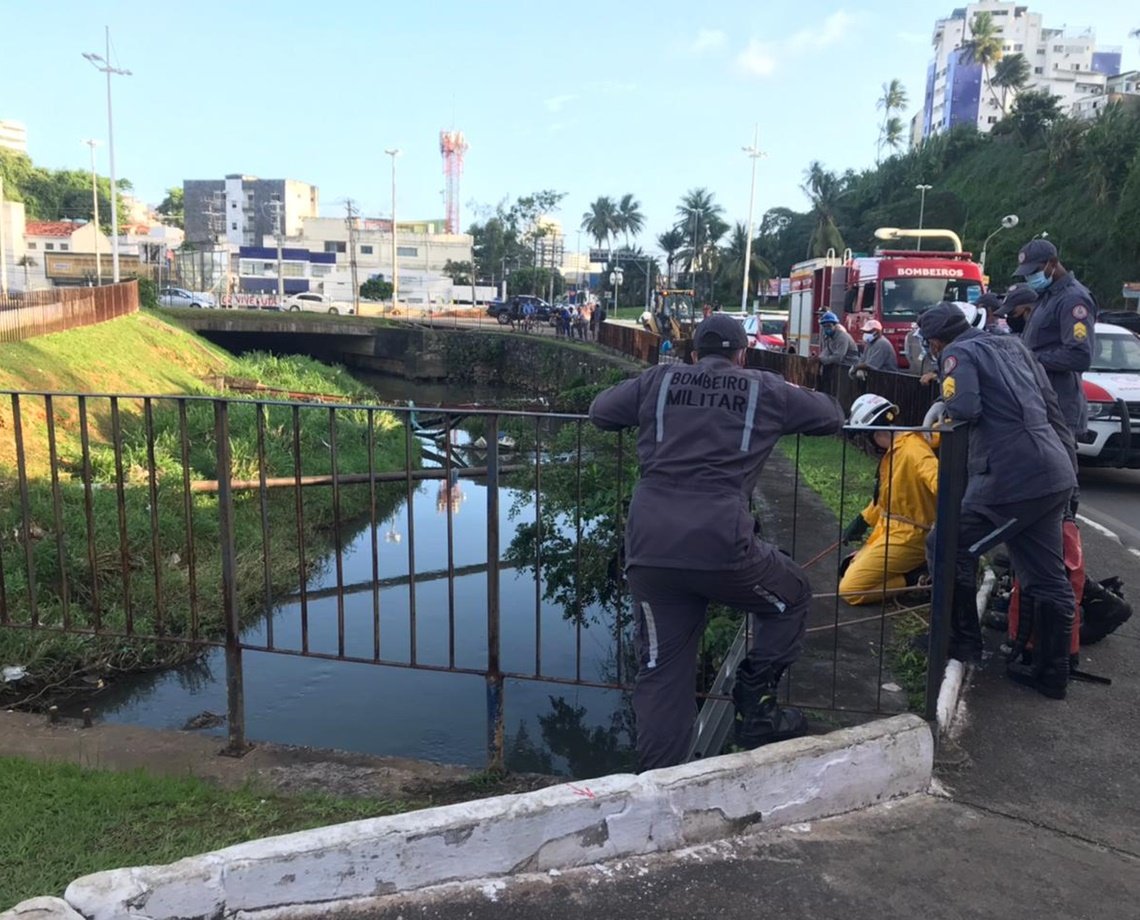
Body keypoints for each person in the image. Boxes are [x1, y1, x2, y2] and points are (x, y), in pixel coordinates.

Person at [589, 314, 846, 770]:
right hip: (721, 544)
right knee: (792, 594)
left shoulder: (659, 380)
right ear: (742, 354)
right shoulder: (762, 388)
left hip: (649, 548)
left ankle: (658, 785)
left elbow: (601, 413)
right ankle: (757, 705)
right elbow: (830, 415)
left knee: (661, 670)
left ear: (692, 353)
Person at [918, 302, 1077, 697]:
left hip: (1011, 481)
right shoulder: (1013, 345)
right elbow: (1052, 404)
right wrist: (1070, 471)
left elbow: (967, 407)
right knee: (1046, 575)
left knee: (945, 544)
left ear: (936, 343)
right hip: (1051, 471)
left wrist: (944, 403)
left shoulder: (958, 354)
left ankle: (961, 643)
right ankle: (1053, 674)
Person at [839, 394, 939, 606]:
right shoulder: (895, 451)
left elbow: (942, 484)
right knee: (848, 568)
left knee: (850, 590)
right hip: (891, 531)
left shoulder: (914, 451)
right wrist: (863, 520)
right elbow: (887, 498)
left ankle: (915, 578)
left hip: (911, 536)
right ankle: (912, 571)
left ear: (873, 431)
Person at [1011, 239, 1097, 442]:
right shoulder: (1047, 297)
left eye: (1034, 271)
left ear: (1053, 263)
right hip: (1039, 404)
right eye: (1027, 273)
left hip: (1058, 408)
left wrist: (1031, 359)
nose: (1030, 277)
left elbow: (1079, 356)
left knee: (1058, 472)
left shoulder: (1073, 299)